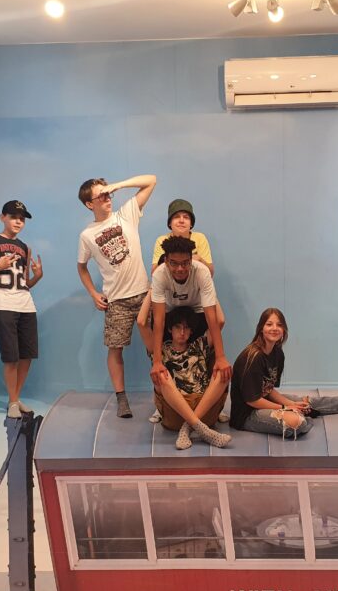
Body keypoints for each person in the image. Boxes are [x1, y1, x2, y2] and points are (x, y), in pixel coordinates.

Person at [228, 308, 338, 438]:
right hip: (247, 414)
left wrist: (292, 404)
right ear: (261, 328)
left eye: (279, 325)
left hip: (264, 401)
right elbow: (253, 401)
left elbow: (268, 390)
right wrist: (285, 407)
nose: (274, 328)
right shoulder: (253, 357)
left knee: (306, 402)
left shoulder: (277, 353)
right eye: (269, 324)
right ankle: (305, 415)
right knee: (297, 422)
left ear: (284, 330)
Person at [77, 174, 157, 418]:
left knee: (157, 348)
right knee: (115, 349)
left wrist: (118, 185)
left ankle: (164, 397)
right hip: (116, 301)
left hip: (144, 295)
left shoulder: (126, 214)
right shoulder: (87, 235)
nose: (107, 198)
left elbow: (151, 180)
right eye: (100, 196)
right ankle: (121, 399)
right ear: (89, 204)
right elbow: (81, 267)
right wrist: (93, 293)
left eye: (107, 193)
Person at [0, 200, 43, 419]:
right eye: (13, 217)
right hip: (2, 304)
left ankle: (15, 397)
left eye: (22, 219)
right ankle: (13, 401)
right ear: (2, 217)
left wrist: (37, 277)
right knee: (11, 357)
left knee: (27, 355)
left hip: (26, 305)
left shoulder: (25, 247)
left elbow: (24, 283)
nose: (18, 222)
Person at [147, 235, 231, 387]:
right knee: (163, 361)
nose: (180, 269)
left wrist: (221, 357)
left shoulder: (202, 272)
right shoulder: (159, 275)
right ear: (166, 261)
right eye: (174, 263)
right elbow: (159, 320)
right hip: (171, 311)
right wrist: (157, 362)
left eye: (185, 263)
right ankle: (162, 398)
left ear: (191, 260)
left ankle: (201, 390)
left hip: (196, 309)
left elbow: (212, 318)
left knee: (202, 356)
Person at [154, 306, 232, 450]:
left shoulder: (199, 346)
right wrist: (152, 293)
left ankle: (188, 427)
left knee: (224, 371)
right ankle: (198, 427)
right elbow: (141, 322)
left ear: (191, 331)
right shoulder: (161, 350)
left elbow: (220, 321)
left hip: (203, 409)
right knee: (160, 374)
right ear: (170, 329)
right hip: (176, 412)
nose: (182, 332)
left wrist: (211, 293)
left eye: (187, 328)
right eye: (178, 327)